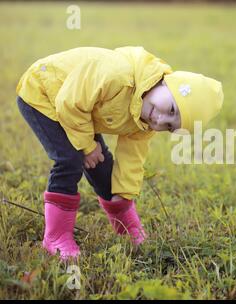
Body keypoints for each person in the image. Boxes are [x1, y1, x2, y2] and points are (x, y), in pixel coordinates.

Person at [15, 46, 224, 260]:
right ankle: (55, 237)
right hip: (43, 92)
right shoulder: (118, 75)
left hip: (80, 113)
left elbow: (132, 158)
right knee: (70, 158)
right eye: (171, 109)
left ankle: (125, 226)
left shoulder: (147, 122)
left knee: (100, 161)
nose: (161, 120)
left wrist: (122, 194)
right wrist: (87, 146)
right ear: (164, 82)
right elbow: (70, 103)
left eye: (170, 126)